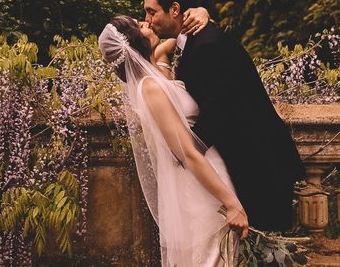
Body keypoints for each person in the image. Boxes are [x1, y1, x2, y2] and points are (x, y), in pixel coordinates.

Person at [142, 0, 305, 232]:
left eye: (151, 12)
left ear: (174, 9)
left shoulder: (207, 46)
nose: (148, 20)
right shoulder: (196, 40)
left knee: (266, 247)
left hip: (260, 164)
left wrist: (184, 153)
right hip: (250, 161)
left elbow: (218, 113)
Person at [99, 15, 247, 267]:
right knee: (211, 258)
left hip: (209, 174)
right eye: (140, 25)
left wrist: (196, 16)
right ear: (133, 43)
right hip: (199, 184)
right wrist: (231, 203)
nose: (147, 23)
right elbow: (186, 152)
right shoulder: (150, 88)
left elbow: (167, 55)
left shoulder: (155, 76)